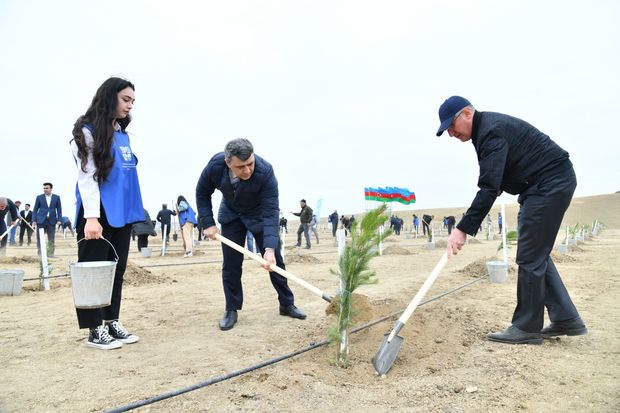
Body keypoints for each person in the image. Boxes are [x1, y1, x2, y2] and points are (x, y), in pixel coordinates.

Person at [437, 95, 587, 345]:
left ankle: (526, 327)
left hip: (549, 184)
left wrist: (462, 229)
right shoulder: (486, 131)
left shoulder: (490, 132)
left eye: (451, 126)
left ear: (467, 114)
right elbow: (495, 182)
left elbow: (489, 187)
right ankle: (566, 318)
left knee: (530, 256)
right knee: (535, 253)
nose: (451, 133)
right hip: (543, 186)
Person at [196, 138, 306, 331]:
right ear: (228, 163)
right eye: (241, 167)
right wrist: (208, 223)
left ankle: (287, 304)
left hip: (259, 216)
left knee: (275, 262)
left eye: (250, 164)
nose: (247, 170)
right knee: (231, 264)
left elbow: (271, 211)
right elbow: (202, 192)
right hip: (231, 215)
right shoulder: (215, 166)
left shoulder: (265, 171)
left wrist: (269, 249)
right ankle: (231, 309)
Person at [70, 77, 144, 350]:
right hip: (97, 212)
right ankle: (94, 328)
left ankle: (112, 320)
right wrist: (92, 218)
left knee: (117, 269)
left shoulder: (122, 134)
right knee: (94, 271)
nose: (130, 105)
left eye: (133, 101)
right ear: (109, 97)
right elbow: (87, 177)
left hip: (122, 212)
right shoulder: (87, 131)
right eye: (126, 99)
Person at [33, 182, 62, 257]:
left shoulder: (56, 197)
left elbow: (59, 209)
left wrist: (59, 219)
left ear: (51, 189)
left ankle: (50, 253)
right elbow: (35, 209)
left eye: (47, 188)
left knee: (51, 238)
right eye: (44, 188)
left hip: (51, 221)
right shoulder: (39, 197)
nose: (45, 190)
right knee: (40, 237)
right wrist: (34, 220)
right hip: (40, 220)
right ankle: (40, 253)